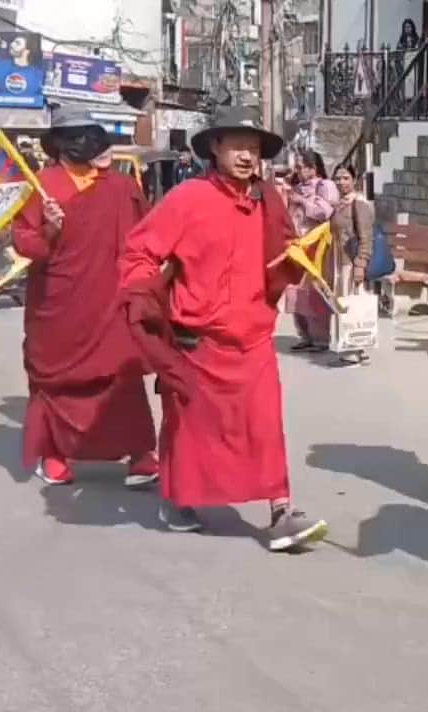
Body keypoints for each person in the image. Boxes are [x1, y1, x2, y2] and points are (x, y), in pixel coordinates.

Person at [120, 106, 328, 552]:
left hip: (252, 338)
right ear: (214, 147)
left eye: (254, 149)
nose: (247, 157)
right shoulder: (187, 199)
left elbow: (284, 250)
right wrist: (143, 293)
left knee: (265, 425)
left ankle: (281, 511)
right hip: (198, 341)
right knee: (188, 429)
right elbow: (139, 252)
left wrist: (299, 258)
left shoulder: (267, 201)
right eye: (237, 146)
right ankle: (178, 499)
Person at [11, 108, 158, 487]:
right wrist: (49, 230)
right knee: (54, 381)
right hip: (58, 302)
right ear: (59, 144)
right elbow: (24, 242)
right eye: (76, 137)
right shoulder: (41, 185)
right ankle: (54, 452)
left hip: (111, 299)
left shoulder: (122, 187)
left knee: (121, 375)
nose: (87, 145)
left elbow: (147, 235)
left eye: (91, 135)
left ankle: (141, 453)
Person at [286, 149, 339, 352]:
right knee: (296, 291)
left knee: (315, 292)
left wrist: (303, 202)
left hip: (317, 245)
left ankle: (321, 338)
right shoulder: (297, 187)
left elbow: (325, 212)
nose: (298, 171)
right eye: (296, 168)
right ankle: (304, 334)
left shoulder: (325, 186)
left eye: (301, 167)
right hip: (297, 244)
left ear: (312, 168)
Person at [328, 163, 376, 366]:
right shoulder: (341, 204)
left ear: (354, 180)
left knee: (353, 304)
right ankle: (355, 348)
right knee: (346, 303)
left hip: (352, 262)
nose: (341, 182)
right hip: (341, 261)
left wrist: (360, 264)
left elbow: (366, 237)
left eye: (346, 178)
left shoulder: (359, 204)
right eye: (338, 178)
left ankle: (354, 351)